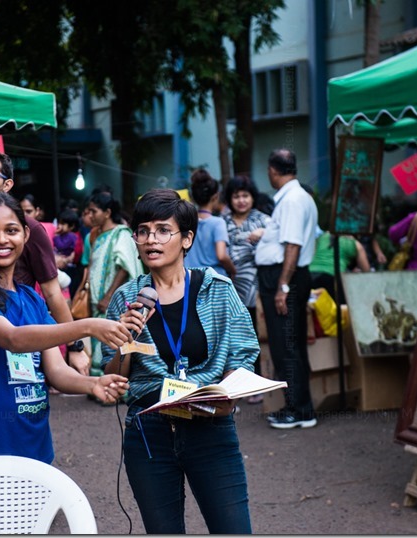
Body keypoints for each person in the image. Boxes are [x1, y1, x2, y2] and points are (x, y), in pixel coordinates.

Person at [101, 188, 258, 534]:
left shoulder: (217, 288)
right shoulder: (128, 298)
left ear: (186, 239)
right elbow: (113, 379)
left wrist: (225, 396)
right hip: (148, 431)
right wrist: (125, 340)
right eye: (142, 231)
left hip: (210, 426)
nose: (151, 240)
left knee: (233, 529)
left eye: (162, 230)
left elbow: (244, 351)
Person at [0, 192, 131, 466]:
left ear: (25, 235)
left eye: (11, 230)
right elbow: (13, 338)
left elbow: (55, 370)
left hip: (34, 446)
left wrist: (93, 384)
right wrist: (88, 327)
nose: (2, 240)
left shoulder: (32, 298)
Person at [0, 148, 92, 376]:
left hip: (21, 331)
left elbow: (52, 293)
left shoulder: (29, 228)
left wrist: (75, 345)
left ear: (8, 185)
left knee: (26, 399)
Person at [255, 149, 319, 429]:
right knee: (290, 344)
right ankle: (300, 407)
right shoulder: (298, 197)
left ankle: (298, 409)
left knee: (285, 346)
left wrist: (282, 286)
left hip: (284, 276)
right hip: (287, 275)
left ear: (273, 170)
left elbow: (293, 245)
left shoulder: (292, 200)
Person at [80, 191, 144, 377]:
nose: (90, 216)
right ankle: (100, 383)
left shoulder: (120, 234)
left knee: (114, 340)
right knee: (99, 341)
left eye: (94, 211)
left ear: (107, 212)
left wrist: (108, 296)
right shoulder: (96, 236)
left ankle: (115, 386)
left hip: (114, 301)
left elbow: (124, 267)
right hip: (97, 301)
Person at [222, 175, 270, 399]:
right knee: (229, 337)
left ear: (252, 197)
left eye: (245, 195)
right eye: (236, 196)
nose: (241, 200)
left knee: (252, 336)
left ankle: (255, 385)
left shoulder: (263, 220)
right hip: (227, 286)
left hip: (253, 287)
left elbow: (281, 236)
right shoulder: (222, 220)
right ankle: (231, 386)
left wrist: (264, 234)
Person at [183, 169, 237, 277]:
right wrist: (233, 270)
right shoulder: (218, 223)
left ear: (192, 197)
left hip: (189, 279)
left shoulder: (185, 222)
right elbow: (221, 255)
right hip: (214, 281)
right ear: (215, 197)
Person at [308, 231, 371, 304]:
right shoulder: (355, 244)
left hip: (311, 276)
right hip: (333, 280)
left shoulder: (322, 237)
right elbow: (367, 273)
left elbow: (311, 256)